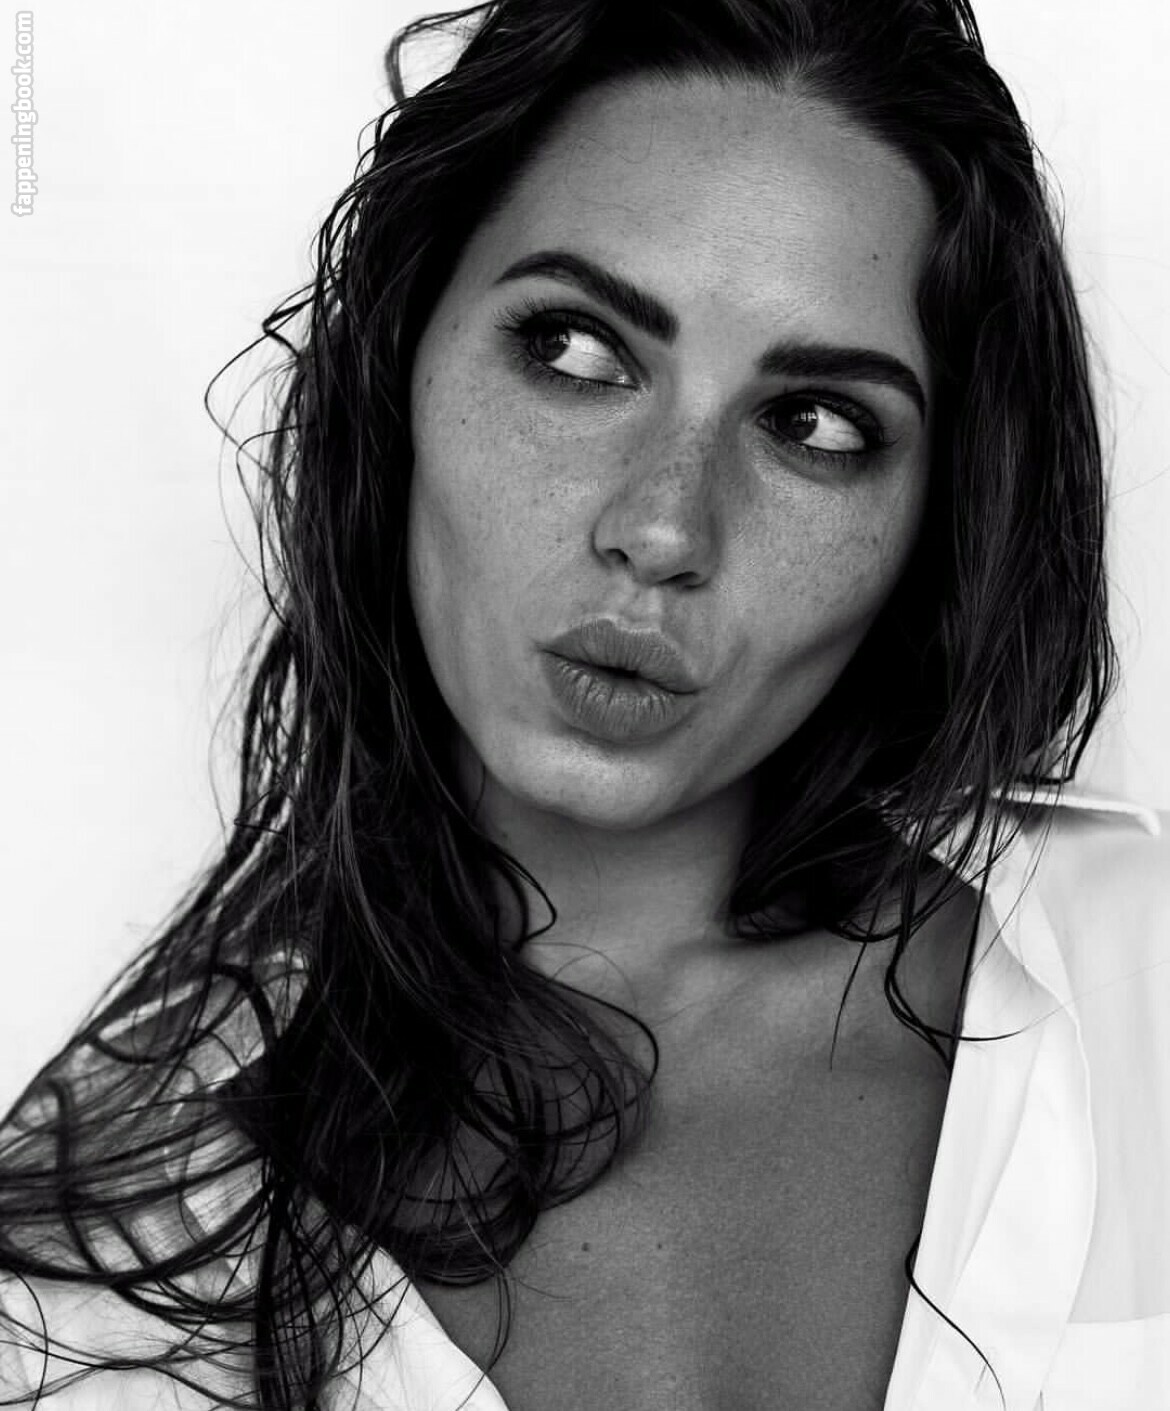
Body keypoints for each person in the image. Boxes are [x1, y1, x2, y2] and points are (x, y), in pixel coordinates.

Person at [1, 0, 1167, 1407]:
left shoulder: (1136, 982)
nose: (663, 529)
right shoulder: (88, 1284)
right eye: (573, 350)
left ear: (936, 514)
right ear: (399, 362)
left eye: (812, 424)